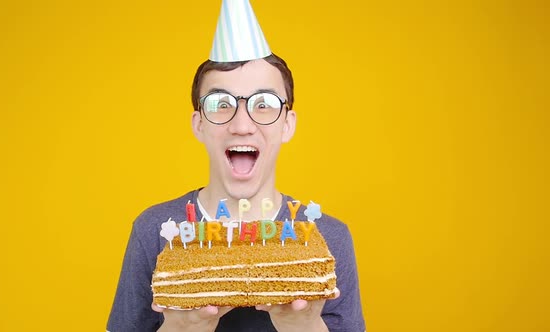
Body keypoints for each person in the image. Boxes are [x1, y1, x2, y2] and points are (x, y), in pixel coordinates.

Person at [107, 1, 365, 331]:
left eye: (264, 104)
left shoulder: (329, 238)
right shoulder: (154, 230)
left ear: (287, 124)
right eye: (221, 103)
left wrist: (304, 327)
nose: (242, 124)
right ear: (199, 124)